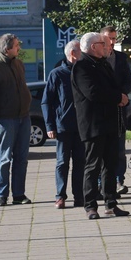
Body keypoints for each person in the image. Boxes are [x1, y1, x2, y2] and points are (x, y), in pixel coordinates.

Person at [72, 32, 129, 220]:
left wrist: (121, 96)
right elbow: (93, 92)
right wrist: (117, 97)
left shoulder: (103, 63)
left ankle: (111, 203)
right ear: (93, 46)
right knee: (92, 165)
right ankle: (90, 205)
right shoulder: (81, 67)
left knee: (110, 165)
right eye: (102, 44)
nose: (106, 47)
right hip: (93, 124)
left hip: (110, 122)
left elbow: (116, 85)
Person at [0, 33, 32, 207]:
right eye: (16, 46)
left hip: (23, 117)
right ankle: (2, 195)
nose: (19, 48)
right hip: (5, 120)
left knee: (22, 158)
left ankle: (19, 194)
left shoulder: (18, 64)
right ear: (7, 48)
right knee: (4, 159)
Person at [41, 39, 85, 209]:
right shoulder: (57, 74)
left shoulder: (83, 72)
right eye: (81, 51)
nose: (84, 54)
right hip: (63, 126)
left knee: (80, 162)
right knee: (62, 162)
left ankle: (79, 196)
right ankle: (60, 196)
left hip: (81, 126)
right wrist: (49, 126)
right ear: (73, 53)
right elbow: (47, 102)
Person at [100, 26, 131, 195]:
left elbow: (128, 80)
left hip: (120, 110)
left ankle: (119, 180)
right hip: (103, 111)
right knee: (101, 149)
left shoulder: (121, 58)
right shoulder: (96, 58)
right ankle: (101, 182)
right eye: (109, 38)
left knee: (120, 150)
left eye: (114, 38)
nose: (112, 42)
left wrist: (122, 95)